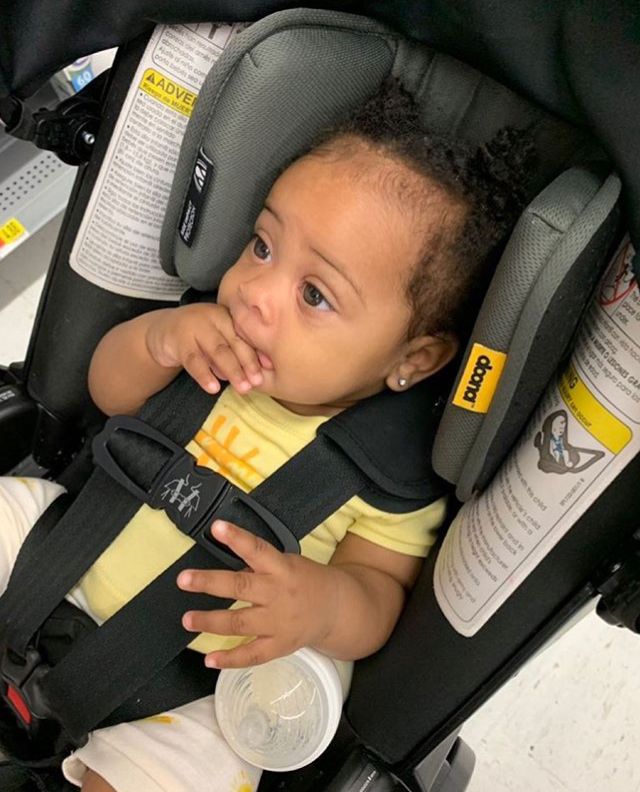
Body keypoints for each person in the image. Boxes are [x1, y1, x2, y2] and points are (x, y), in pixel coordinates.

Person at [0, 81, 532, 792]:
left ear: (412, 361)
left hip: (191, 681)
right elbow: (105, 391)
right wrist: (157, 340)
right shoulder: (205, 348)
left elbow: (376, 598)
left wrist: (323, 603)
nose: (255, 290)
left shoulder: (386, 474)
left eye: (315, 295)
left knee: (202, 764)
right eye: (260, 245)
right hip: (58, 545)